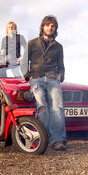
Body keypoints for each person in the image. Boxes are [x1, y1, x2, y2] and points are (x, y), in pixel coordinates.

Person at [21, 15, 66, 151]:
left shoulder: (58, 47)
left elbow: (61, 65)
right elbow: (24, 63)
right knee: (42, 107)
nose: (50, 28)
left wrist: (60, 75)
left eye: (53, 26)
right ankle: (44, 138)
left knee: (57, 108)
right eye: (48, 25)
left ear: (55, 29)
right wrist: (28, 77)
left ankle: (57, 140)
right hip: (36, 79)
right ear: (43, 27)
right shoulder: (32, 43)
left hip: (53, 79)